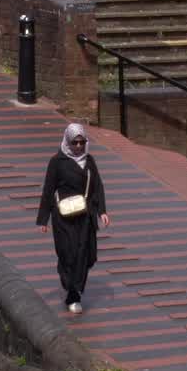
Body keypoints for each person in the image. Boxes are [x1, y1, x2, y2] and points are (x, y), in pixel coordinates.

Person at [37, 122, 109, 314]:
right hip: (63, 217)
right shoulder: (57, 162)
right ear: (67, 142)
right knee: (68, 253)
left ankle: (75, 290)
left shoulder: (89, 161)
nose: (78, 146)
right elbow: (48, 189)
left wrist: (102, 211)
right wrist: (43, 219)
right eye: (74, 142)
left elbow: (97, 186)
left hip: (85, 216)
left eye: (81, 142)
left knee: (85, 255)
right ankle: (72, 292)